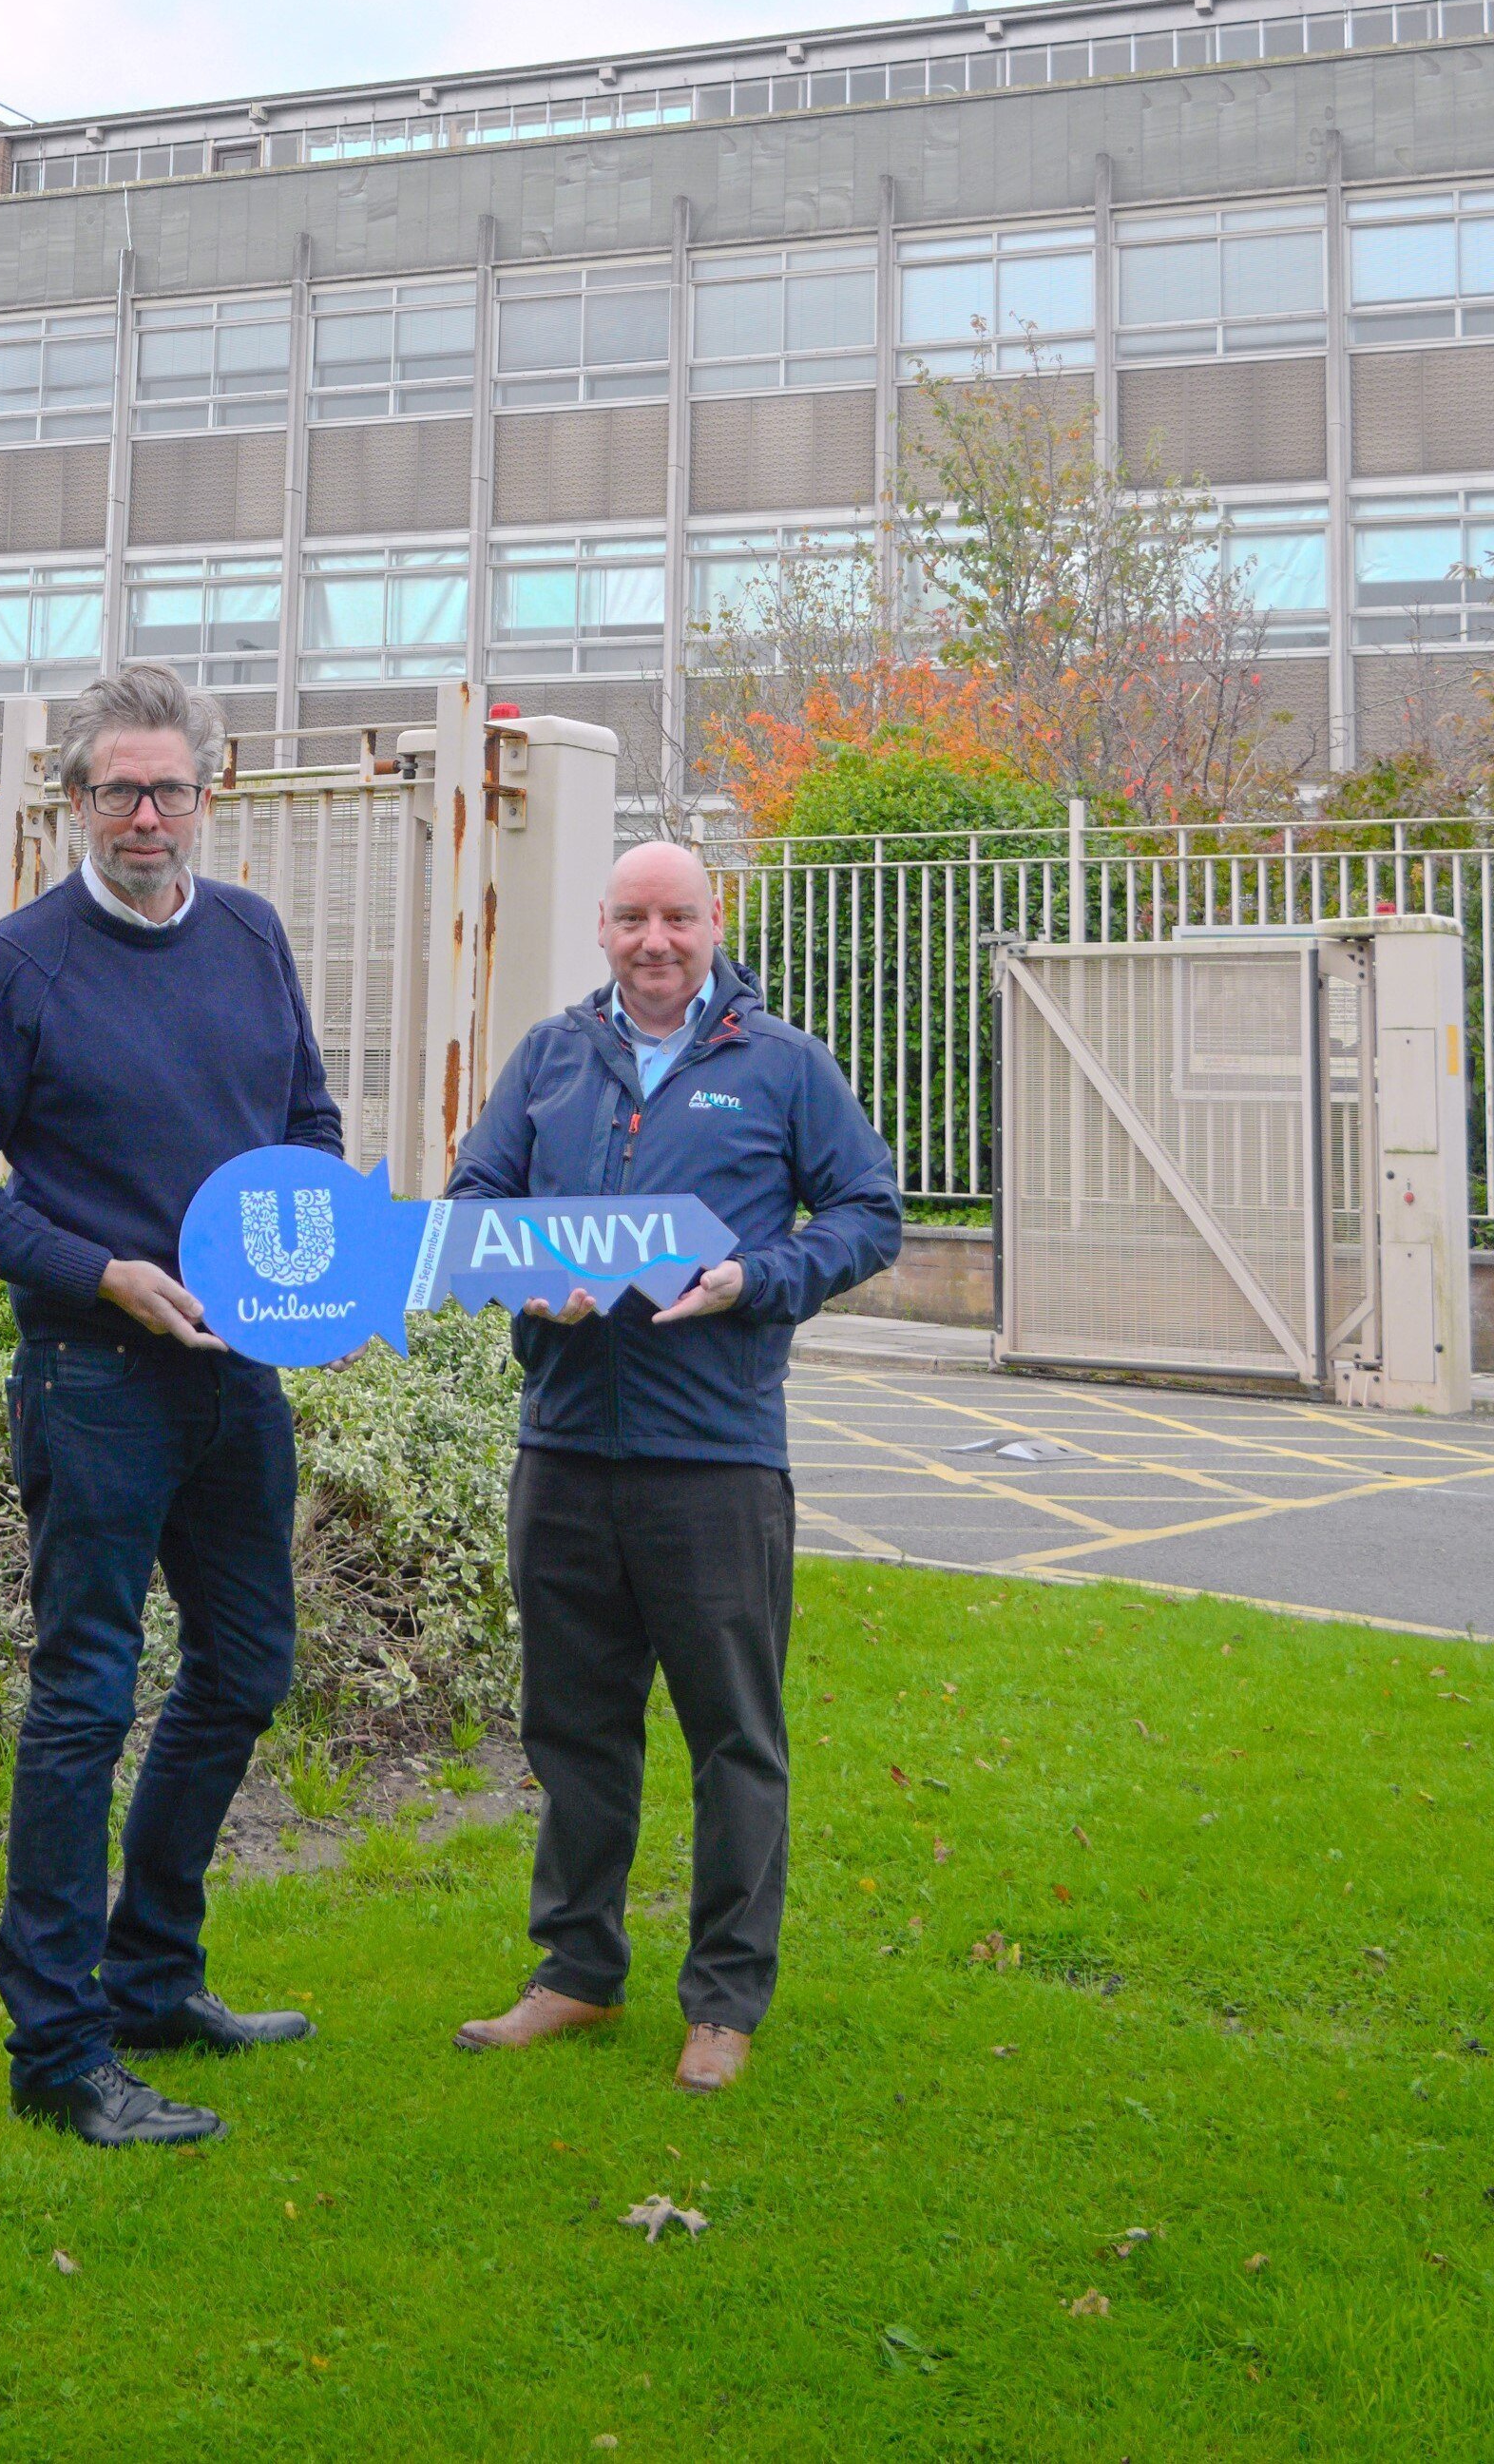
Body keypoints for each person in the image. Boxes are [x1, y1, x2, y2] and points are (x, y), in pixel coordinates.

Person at [0, 664, 339, 2148]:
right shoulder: (17, 965)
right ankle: (58, 2048)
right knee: (85, 1697)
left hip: (239, 1375)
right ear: (73, 799)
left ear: (210, 792)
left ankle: (152, 1973)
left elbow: (308, 1126)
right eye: (117, 790)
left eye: (170, 788)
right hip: (95, 1379)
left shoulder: (255, 936)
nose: (146, 815)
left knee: (245, 1670)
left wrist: (310, 1270)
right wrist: (100, 1274)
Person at [443, 838, 898, 2092]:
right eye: (634, 917)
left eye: (679, 918)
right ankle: (576, 1973)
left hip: (715, 1459)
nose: (656, 939)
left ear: (714, 923)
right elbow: (473, 1194)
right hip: (565, 1448)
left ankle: (725, 1998)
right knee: (575, 1728)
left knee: (733, 1735)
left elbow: (868, 1210)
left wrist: (762, 1279)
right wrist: (531, 1267)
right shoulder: (549, 1055)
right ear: (602, 924)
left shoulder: (783, 1062)